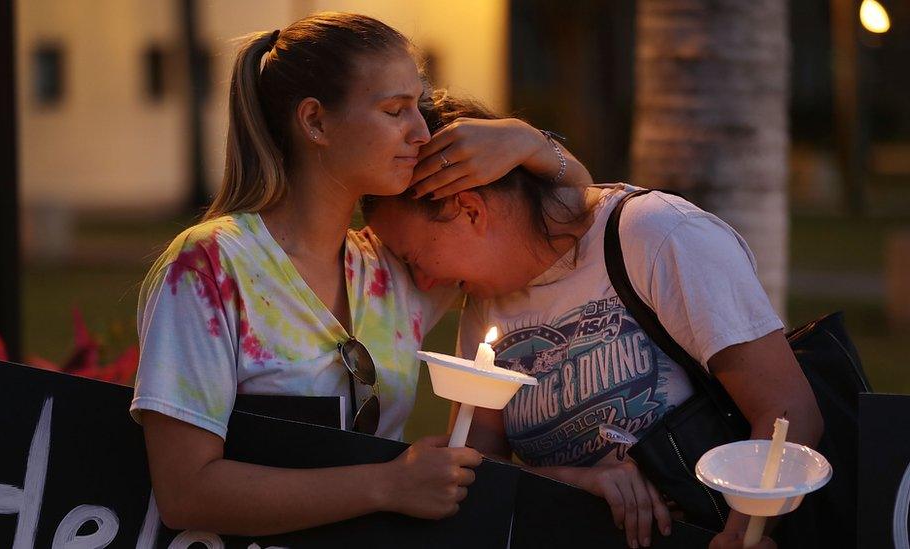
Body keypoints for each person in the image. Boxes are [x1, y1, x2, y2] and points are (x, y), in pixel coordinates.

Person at [131, 13, 589, 536]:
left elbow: (570, 212)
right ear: (316, 122)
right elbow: (185, 493)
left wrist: (527, 143)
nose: (420, 131)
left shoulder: (391, 271)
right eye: (395, 110)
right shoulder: (211, 266)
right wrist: (390, 484)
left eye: (418, 105)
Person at [364, 93, 821, 549]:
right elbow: (481, 464)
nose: (423, 281)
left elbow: (787, 412)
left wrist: (740, 536)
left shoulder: (658, 236)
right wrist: (571, 481)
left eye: (416, 257)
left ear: (469, 209)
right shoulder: (487, 299)